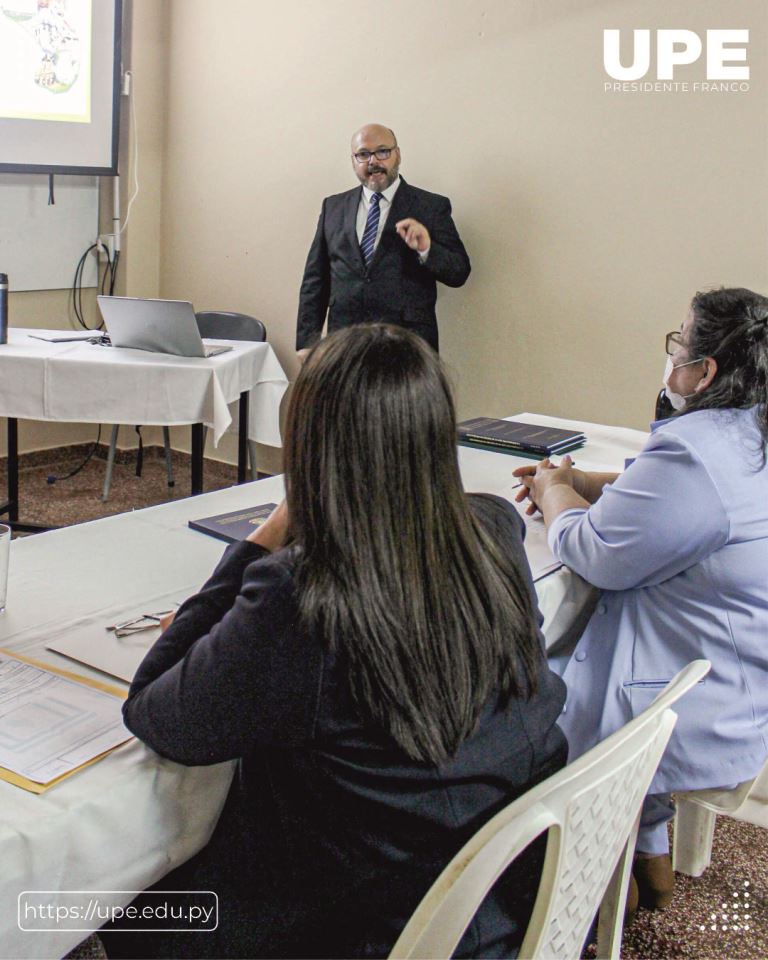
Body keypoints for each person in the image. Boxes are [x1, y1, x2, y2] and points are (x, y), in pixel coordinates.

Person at [106, 324, 567, 959]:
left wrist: (265, 534)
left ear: (310, 450)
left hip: (349, 922)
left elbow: (157, 712)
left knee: (128, 909)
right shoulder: (493, 529)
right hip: (482, 893)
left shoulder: (302, 596)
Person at [513, 287, 768, 915]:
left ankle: (560, 888)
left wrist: (552, 489)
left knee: (527, 679)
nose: (672, 350)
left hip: (691, 689)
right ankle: (650, 868)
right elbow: (660, 497)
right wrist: (585, 482)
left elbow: (593, 548)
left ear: (703, 370)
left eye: (679, 340)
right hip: (734, 667)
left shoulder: (695, 447)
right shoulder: (748, 429)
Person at [296, 124, 471, 356]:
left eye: (382, 152)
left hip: (408, 345)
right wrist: (307, 343)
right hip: (345, 343)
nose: (373, 161)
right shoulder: (333, 207)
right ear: (353, 161)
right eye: (363, 154)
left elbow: (459, 272)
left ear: (397, 154)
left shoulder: (430, 206)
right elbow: (315, 280)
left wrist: (427, 248)